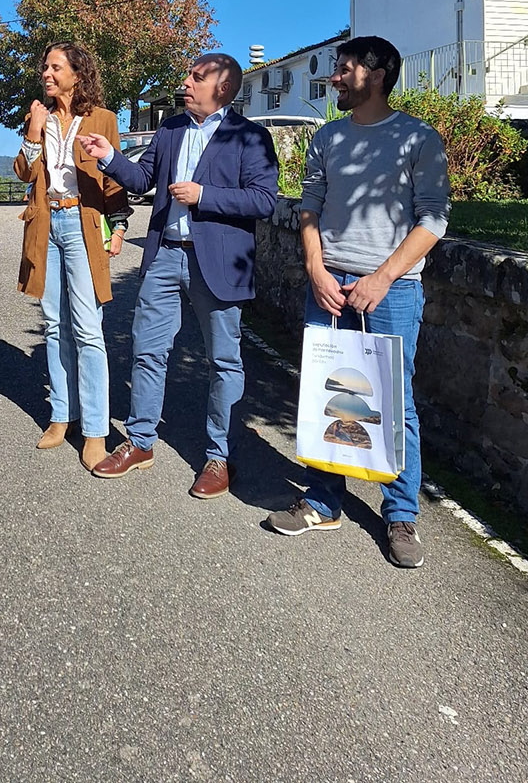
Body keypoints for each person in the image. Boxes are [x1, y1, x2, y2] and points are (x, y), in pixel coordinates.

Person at [266, 36, 449, 568]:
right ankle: (323, 501)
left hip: (391, 289)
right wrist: (315, 268)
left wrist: (383, 277)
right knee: (327, 394)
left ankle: (400, 516)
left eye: (344, 70)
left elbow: (433, 218)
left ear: (375, 74)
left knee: (393, 402)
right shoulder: (326, 138)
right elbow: (309, 207)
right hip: (328, 284)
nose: (335, 80)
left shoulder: (419, 138)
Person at [79, 52, 278, 497]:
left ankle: (218, 457)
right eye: (188, 75)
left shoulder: (249, 137)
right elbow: (143, 177)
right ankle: (141, 442)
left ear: (222, 88)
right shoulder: (170, 128)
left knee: (223, 361)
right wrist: (110, 156)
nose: (185, 82)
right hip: (166, 255)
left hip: (219, 264)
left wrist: (204, 195)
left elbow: (264, 200)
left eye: (197, 77)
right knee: (148, 350)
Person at [14, 42, 130, 472]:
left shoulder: (103, 120)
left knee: (88, 329)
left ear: (77, 74)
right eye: (45, 66)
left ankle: (96, 430)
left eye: (54, 66)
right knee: (54, 324)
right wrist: (33, 131)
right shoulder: (38, 117)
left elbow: (114, 181)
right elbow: (24, 173)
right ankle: (62, 415)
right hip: (46, 225)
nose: (46, 72)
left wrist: (118, 227)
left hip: (83, 227)